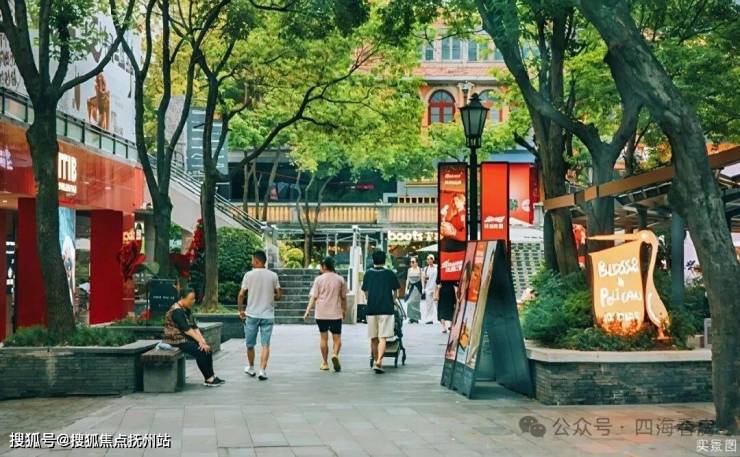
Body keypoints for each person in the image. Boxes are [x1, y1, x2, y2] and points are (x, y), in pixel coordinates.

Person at [162, 288, 225, 387]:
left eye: (194, 299)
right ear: (182, 298)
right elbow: (187, 330)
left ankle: (211, 376)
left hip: (184, 337)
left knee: (207, 349)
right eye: (191, 299)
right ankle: (208, 379)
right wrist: (200, 342)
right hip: (175, 339)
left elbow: (194, 327)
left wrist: (202, 341)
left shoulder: (186, 309)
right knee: (200, 351)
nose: (193, 301)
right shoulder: (176, 311)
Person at [238, 250, 282, 381]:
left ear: (257, 261)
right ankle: (262, 371)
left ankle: (251, 368)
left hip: (252, 314)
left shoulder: (248, 275)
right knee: (265, 344)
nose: (251, 262)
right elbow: (279, 295)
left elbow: (241, 294)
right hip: (267, 315)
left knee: (250, 344)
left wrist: (241, 310)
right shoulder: (273, 275)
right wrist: (270, 296)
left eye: (252, 260)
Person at [303, 256, 347, 372]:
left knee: (323, 338)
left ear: (324, 266)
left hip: (321, 313)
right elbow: (343, 297)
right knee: (337, 338)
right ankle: (335, 354)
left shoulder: (318, 279)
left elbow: (314, 297)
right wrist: (344, 310)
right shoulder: (340, 279)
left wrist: (307, 311)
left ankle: (325, 363)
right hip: (335, 313)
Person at [362, 250, 400, 374]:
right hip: (386, 309)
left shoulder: (368, 273)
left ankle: (375, 361)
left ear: (373, 260)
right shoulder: (390, 273)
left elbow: (365, 292)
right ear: (384, 260)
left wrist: (370, 299)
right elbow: (396, 292)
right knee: (382, 338)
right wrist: (392, 300)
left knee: (373, 338)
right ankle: (379, 361)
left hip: (371, 309)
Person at [404, 257, 422, 323]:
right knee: (409, 302)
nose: (411, 263)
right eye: (411, 262)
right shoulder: (409, 270)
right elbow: (407, 279)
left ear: (416, 262)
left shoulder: (420, 269)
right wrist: (406, 288)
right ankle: (411, 317)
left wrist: (423, 288)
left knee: (416, 303)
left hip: (417, 287)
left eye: (413, 262)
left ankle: (416, 318)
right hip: (411, 287)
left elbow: (422, 279)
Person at [421, 255, 438, 324]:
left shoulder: (437, 267)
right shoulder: (425, 269)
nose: (429, 260)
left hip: (435, 288)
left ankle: (440, 318)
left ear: (433, 260)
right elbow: (423, 278)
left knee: (437, 303)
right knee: (429, 305)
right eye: (427, 259)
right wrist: (423, 288)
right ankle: (429, 319)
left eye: (430, 259)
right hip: (428, 288)